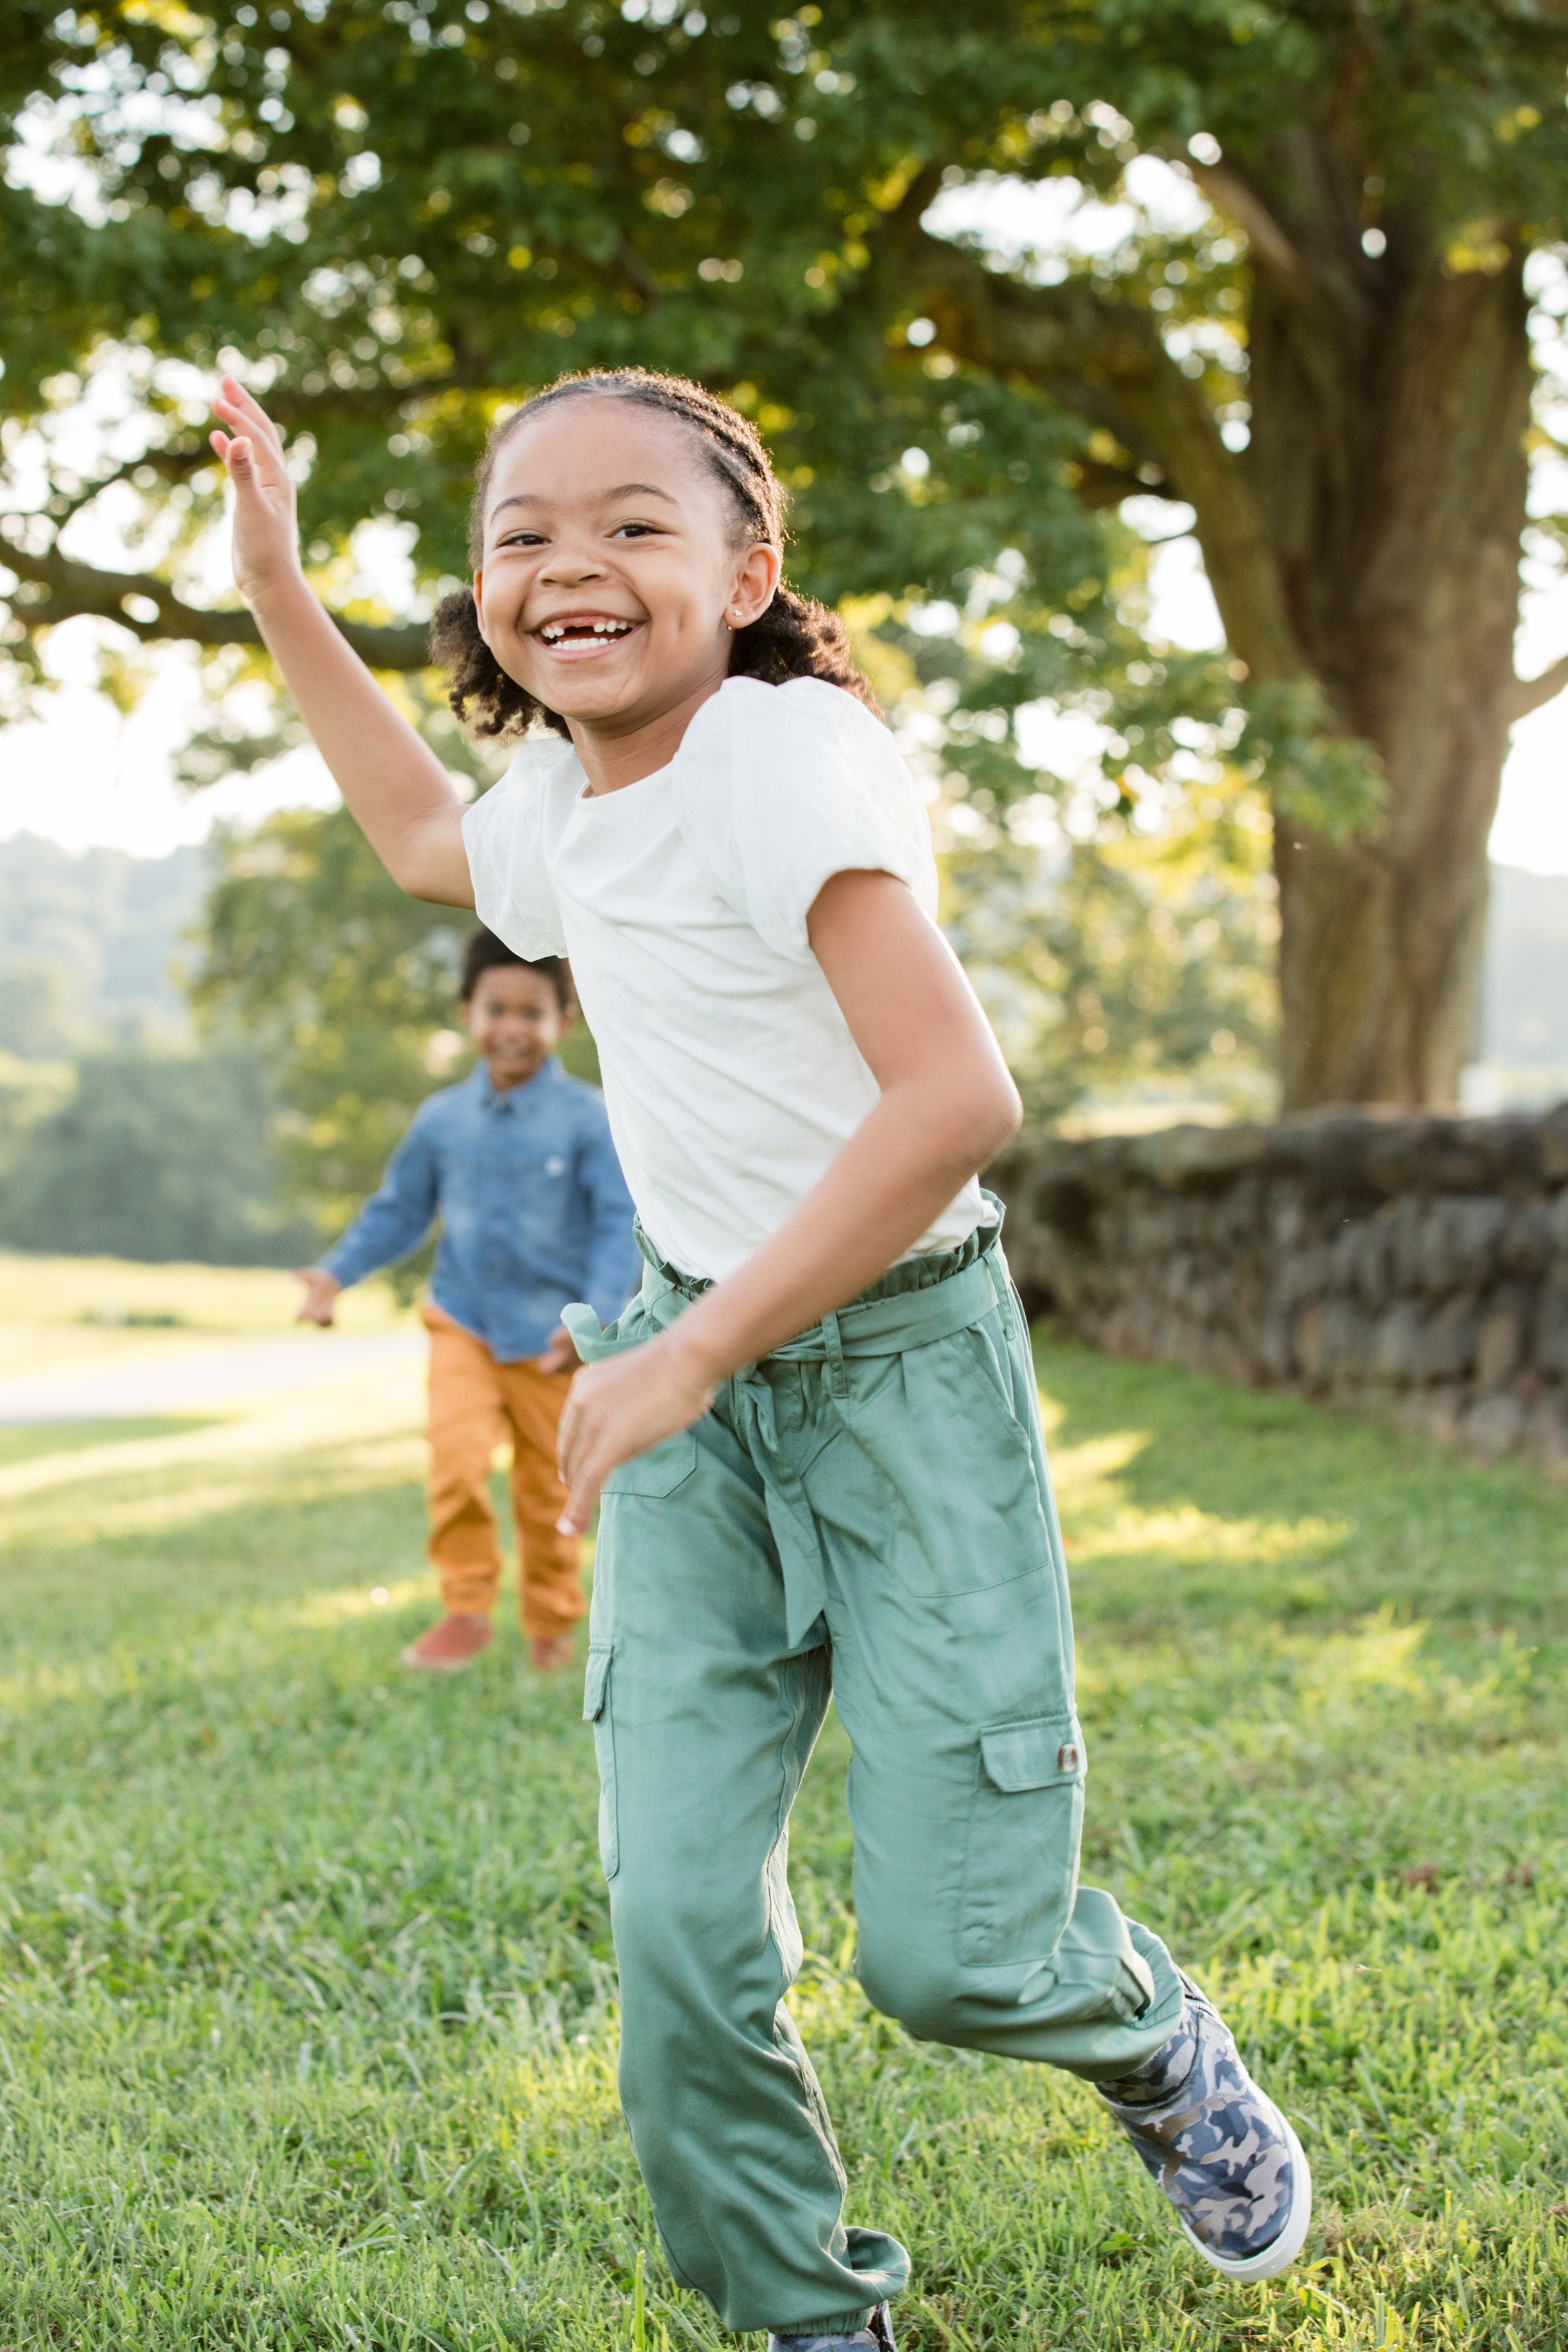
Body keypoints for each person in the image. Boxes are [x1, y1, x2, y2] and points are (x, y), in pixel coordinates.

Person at [209, 363, 1311, 2347]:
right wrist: (280, 583)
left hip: (888, 1371)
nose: (570, 563)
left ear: (743, 574)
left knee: (956, 1956)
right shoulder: (559, 801)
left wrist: (700, 1346)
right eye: (521, 535)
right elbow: (408, 837)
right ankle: (809, 2313)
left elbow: (950, 1096)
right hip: (686, 1386)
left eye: (634, 522)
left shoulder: (784, 757)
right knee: (676, 1925)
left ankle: (1144, 2036)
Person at [295, 925, 638, 1674]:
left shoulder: (588, 1120)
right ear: (466, 1011)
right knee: (454, 1465)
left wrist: (596, 1318)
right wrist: (333, 1275)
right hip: (463, 1322)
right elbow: (397, 1211)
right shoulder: (441, 1121)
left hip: (552, 1339)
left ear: (562, 1020)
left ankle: (550, 1629)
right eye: (496, 1009)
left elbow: (617, 1225)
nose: (512, 1028)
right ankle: (465, 1612)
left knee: (550, 1498)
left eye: (530, 1012)